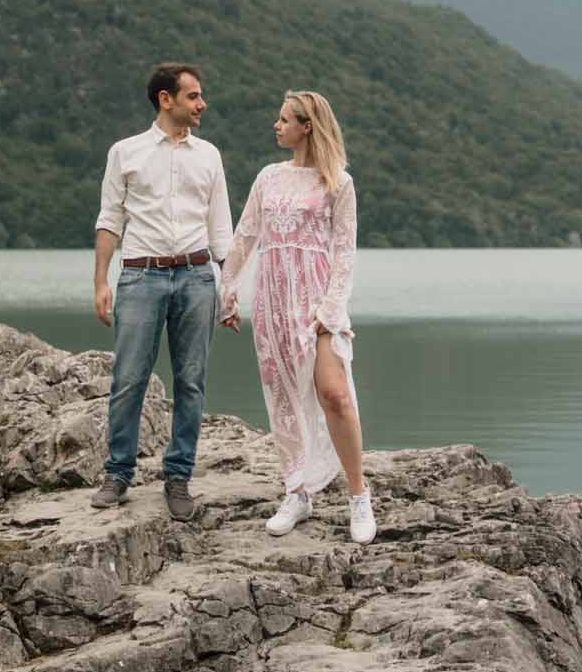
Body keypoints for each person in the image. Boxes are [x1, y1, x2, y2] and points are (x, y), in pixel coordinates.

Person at [220, 88, 375, 545]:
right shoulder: (268, 177)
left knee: (334, 394)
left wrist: (330, 308)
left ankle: (358, 495)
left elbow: (345, 252)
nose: (276, 125)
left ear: (307, 126)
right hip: (271, 301)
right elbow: (245, 236)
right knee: (284, 399)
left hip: (318, 302)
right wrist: (226, 291)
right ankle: (297, 491)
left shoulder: (339, 182)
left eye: (284, 119)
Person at [91, 63, 233, 521]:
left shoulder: (209, 155)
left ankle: (178, 478)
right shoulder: (125, 152)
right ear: (165, 99)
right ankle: (118, 474)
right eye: (193, 96)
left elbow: (221, 228)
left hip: (197, 276)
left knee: (191, 381)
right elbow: (109, 219)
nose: (202, 104)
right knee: (128, 380)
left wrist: (228, 288)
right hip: (140, 276)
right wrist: (99, 282)